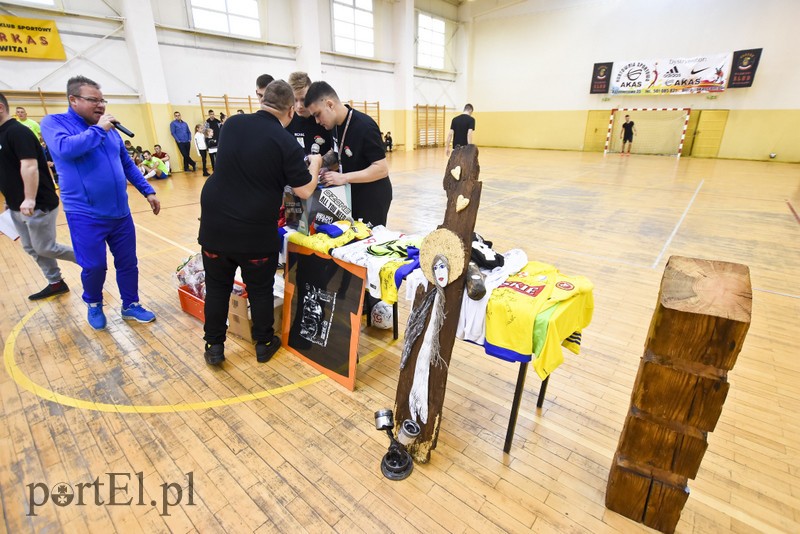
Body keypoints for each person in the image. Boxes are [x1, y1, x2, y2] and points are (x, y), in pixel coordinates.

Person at [198, 80, 322, 365]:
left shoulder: (231, 124)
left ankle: (214, 346)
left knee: (217, 287)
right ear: (290, 110)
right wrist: (314, 166)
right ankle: (264, 343)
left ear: (263, 100)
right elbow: (304, 190)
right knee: (260, 288)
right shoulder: (285, 141)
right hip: (254, 230)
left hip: (215, 223)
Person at [40, 75, 161, 330]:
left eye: (102, 100)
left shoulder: (108, 130)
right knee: (94, 265)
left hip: (120, 213)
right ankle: (94, 303)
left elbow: (127, 163)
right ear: (73, 100)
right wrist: (99, 129)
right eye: (93, 100)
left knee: (128, 262)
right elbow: (65, 149)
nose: (101, 106)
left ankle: (130, 305)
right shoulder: (55, 123)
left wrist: (147, 190)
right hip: (85, 214)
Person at [0, 92, 76, 300]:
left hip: (38, 203)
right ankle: (55, 282)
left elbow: (30, 166)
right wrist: (10, 198)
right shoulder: (1, 135)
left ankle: (89, 260)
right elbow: (8, 169)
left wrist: (30, 198)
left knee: (45, 247)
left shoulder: (17, 132)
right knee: (30, 247)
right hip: (17, 205)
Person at [304, 81, 392, 228]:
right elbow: (337, 152)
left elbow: (381, 169)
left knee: (366, 243)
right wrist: (322, 164)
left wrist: (343, 177)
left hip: (372, 197)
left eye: (317, 115)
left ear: (330, 105)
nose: (317, 121)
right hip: (352, 193)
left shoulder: (365, 126)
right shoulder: (335, 126)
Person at [287, 71, 332, 156]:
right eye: (295, 100)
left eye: (303, 99)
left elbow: (336, 153)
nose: (299, 106)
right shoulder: (288, 119)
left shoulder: (325, 118)